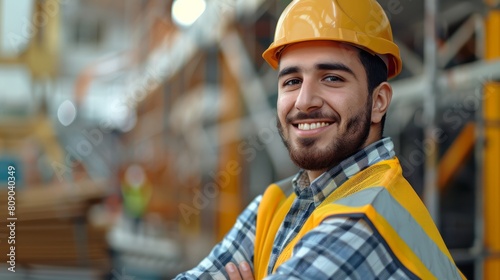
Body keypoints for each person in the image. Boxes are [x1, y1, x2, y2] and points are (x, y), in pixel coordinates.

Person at [175, 0, 465, 279]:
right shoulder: (274, 205)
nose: (304, 102)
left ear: (378, 102)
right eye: (292, 81)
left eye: (331, 78)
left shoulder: (363, 223)